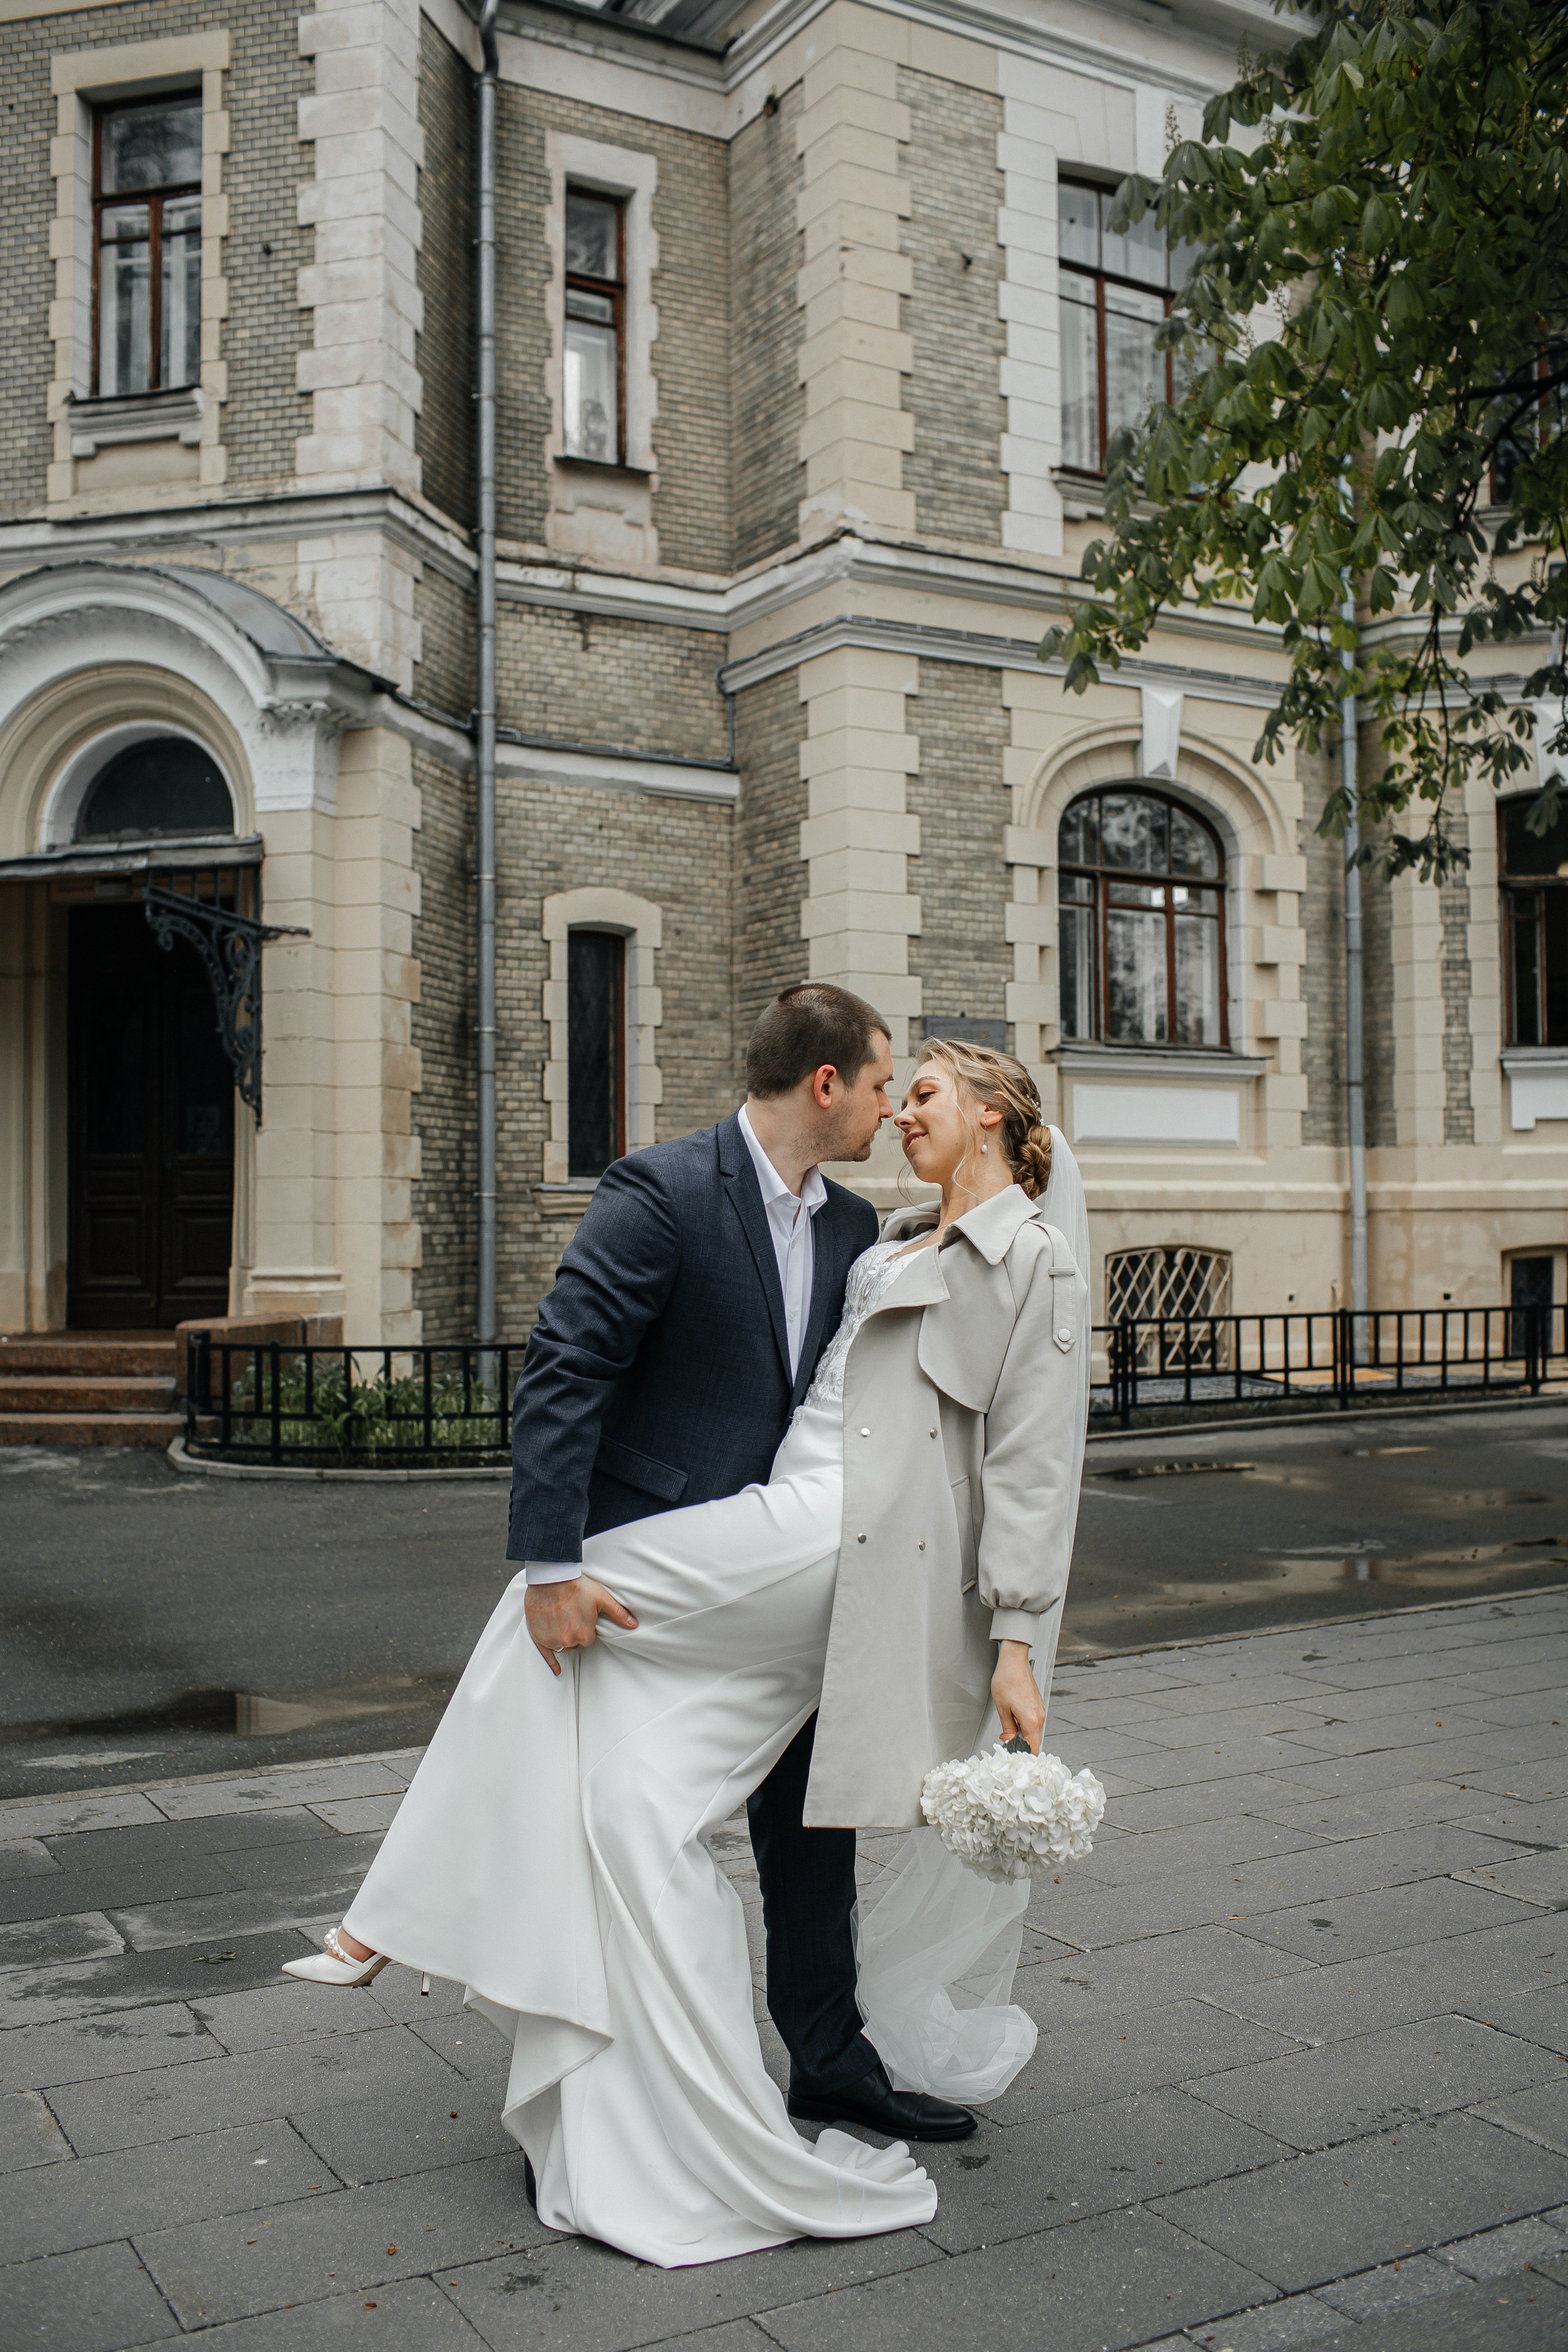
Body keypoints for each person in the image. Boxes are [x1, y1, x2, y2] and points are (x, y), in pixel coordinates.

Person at [282, 1017, 1091, 2269]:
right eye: (890, 1086)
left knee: (558, 1612)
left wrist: (1017, 1643)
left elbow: (1033, 1467)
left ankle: (387, 1917)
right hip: (769, 1534)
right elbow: (576, 1364)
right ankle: (669, 2126)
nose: (897, 1110)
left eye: (920, 1091)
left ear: (989, 1110)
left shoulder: (1025, 1254)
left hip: (838, 1538)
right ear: (825, 1083)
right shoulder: (858, 1228)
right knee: (629, 1815)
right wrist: (553, 1551)